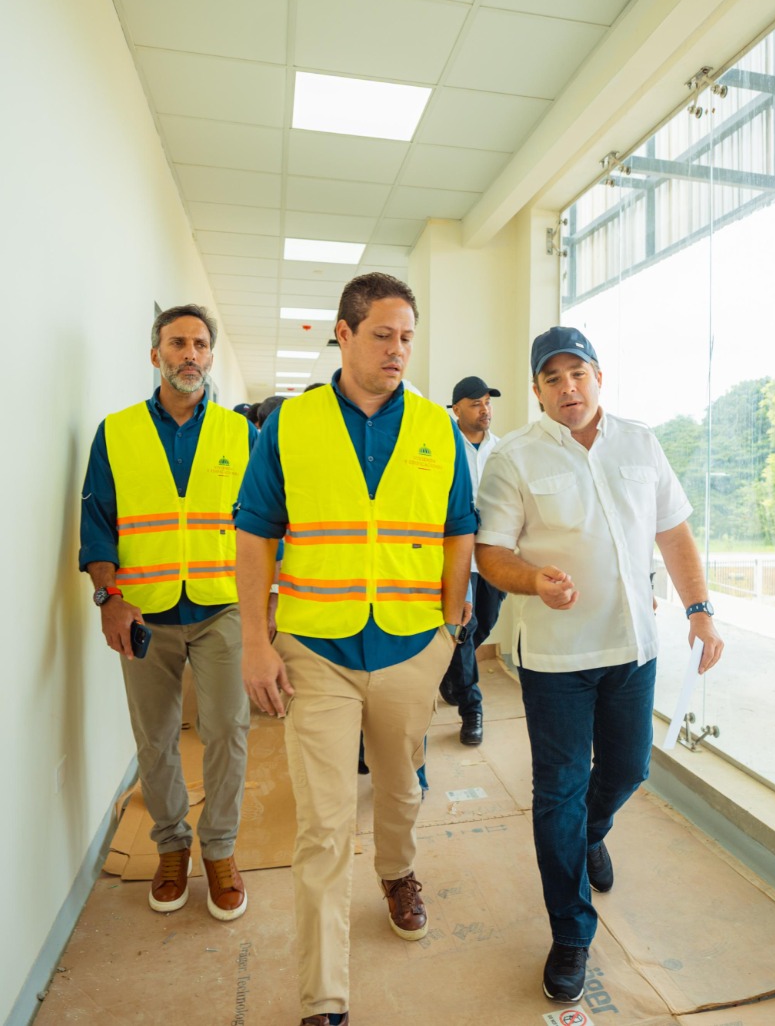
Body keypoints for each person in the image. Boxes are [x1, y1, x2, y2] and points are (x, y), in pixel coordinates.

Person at [234, 272, 475, 1026]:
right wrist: (253, 640)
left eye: (407, 337)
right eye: (383, 335)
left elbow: (458, 528)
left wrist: (448, 630)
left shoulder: (438, 428)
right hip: (317, 652)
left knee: (402, 793)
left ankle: (399, 872)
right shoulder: (292, 425)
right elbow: (254, 533)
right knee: (324, 823)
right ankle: (325, 999)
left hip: (410, 650)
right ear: (342, 333)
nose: (398, 350)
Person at [474, 326, 725, 1004]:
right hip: (557, 658)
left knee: (629, 766)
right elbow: (490, 552)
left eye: (577, 374)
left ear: (598, 377)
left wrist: (699, 608)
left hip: (633, 647)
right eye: (552, 379)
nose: (567, 388)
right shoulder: (515, 459)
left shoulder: (640, 443)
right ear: (536, 390)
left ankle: (589, 833)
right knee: (557, 787)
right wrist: (532, 581)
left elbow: (673, 531)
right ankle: (571, 932)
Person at [78, 303, 258, 923]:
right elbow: (97, 523)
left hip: (220, 606)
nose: (190, 354)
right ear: (155, 354)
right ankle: (172, 847)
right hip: (144, 611)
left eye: (200, 344)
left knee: (228, 730)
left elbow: (261, 525)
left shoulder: (240, 433)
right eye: (177, 343)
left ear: (210, 356)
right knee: (154, 738)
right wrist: (109, 597)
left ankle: (221, 851)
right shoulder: (118, 431)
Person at [438, 375, 507, 747]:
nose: (485, 410)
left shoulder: (502, 449)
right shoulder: (445, 446)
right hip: (458, 554)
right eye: (477, 403)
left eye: (488, 402)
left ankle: (452, 677)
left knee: (485, 624)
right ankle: (472, 709)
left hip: (494, 555)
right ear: (457, 409)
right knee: (465, 629)